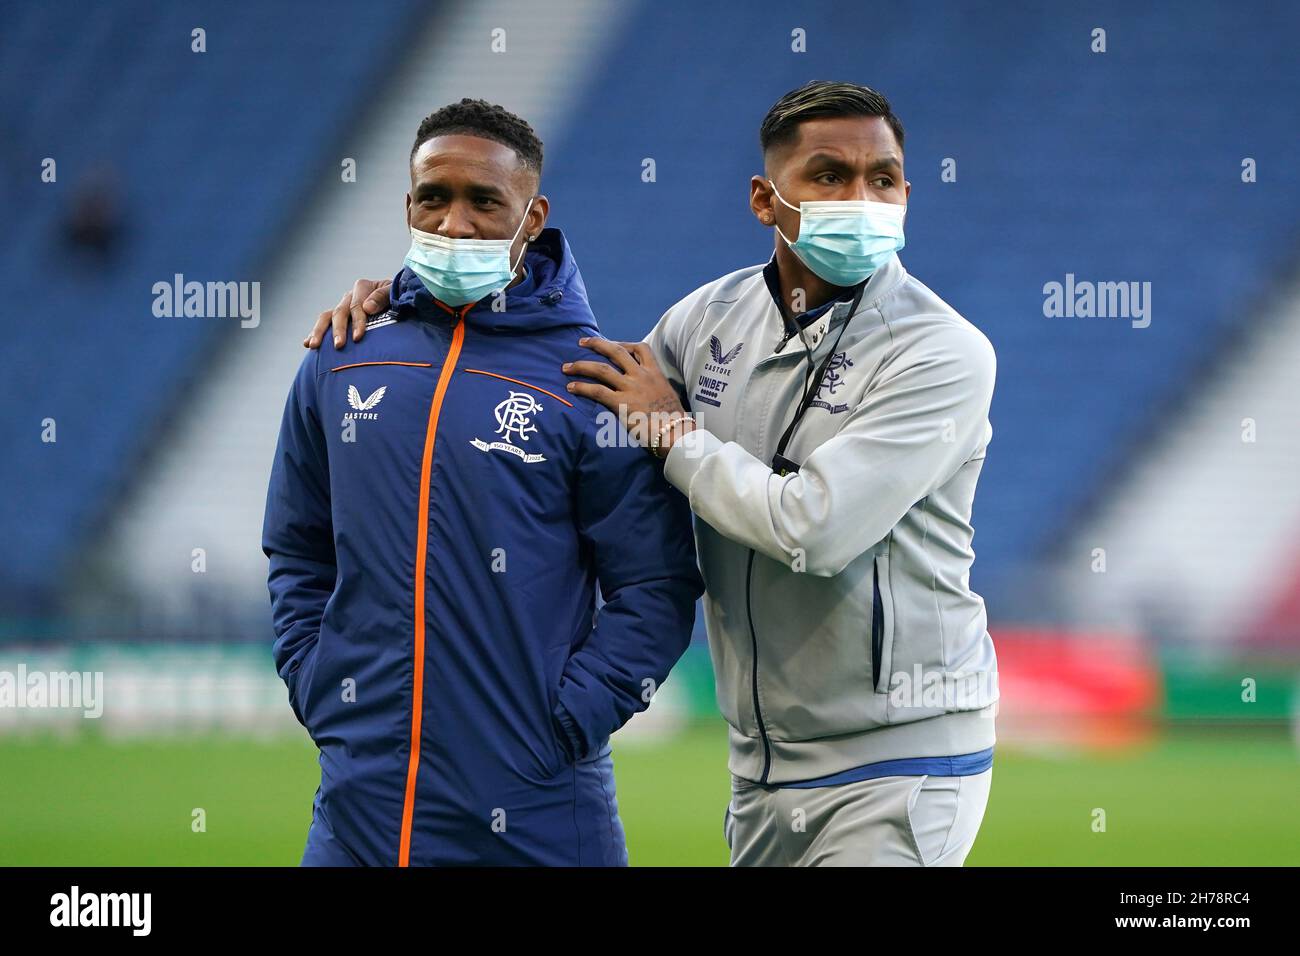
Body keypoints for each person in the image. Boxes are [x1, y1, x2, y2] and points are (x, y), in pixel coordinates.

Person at [311, 81, 998, 867]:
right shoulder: (702, 322)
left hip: (901, 759)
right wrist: (406, 308)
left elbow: (817, 528)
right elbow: (562, 380)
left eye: (882, 179)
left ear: (909, 193)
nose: (862, 198)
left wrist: (672, 430)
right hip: (763, 772)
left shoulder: (943, 353)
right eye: (829, 175)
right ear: (765, 199)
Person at [265, 98, 702, 867]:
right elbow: (298, 547)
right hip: (359, 812)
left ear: (532, 217)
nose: (454, 223)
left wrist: (564, 722)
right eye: (434, 197)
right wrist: (315, 679)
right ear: (408, 205)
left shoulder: (592, 378)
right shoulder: (341, 356)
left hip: (539, 811)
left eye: (484, 201)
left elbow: (657, 586)